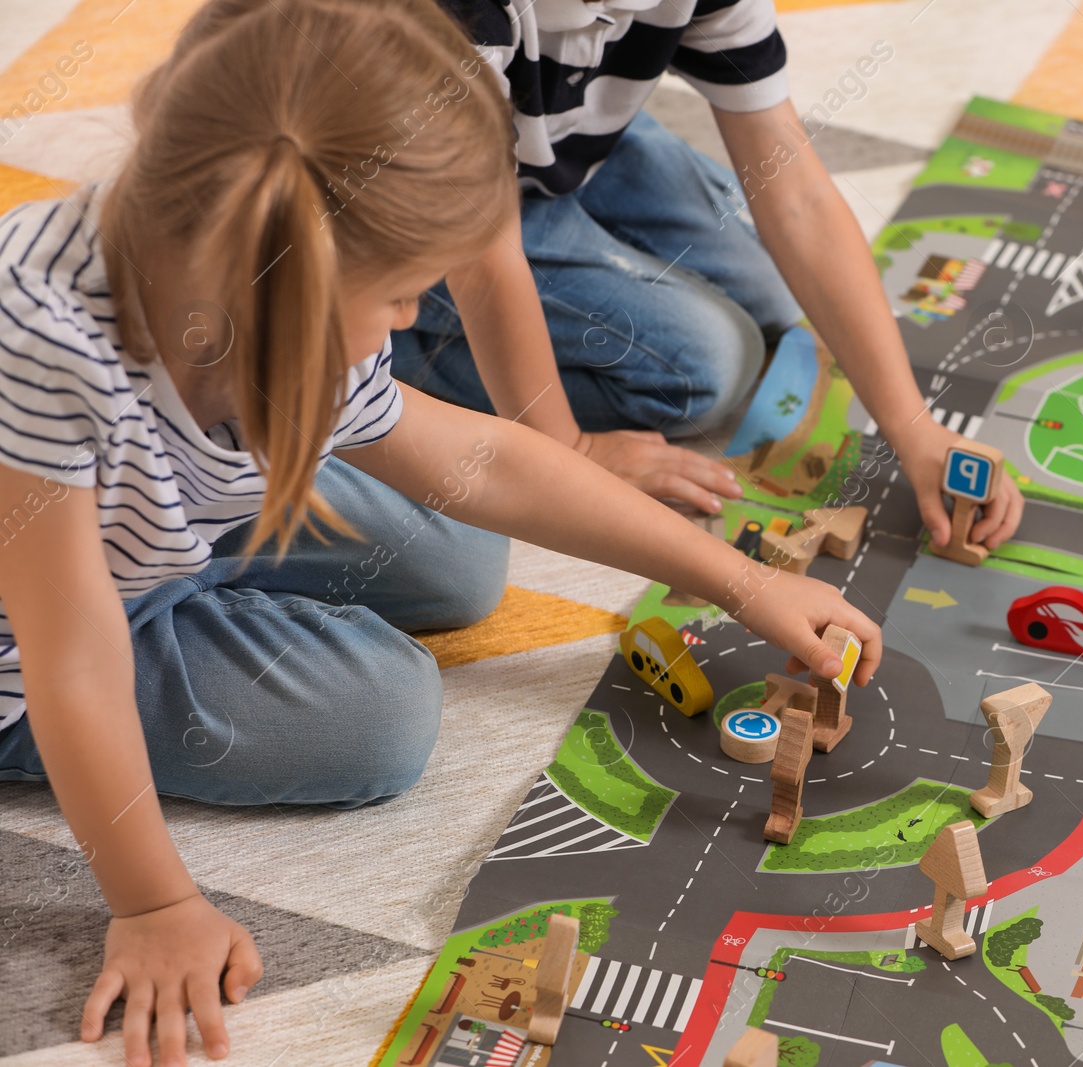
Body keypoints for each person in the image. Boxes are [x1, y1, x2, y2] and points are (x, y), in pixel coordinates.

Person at [0, 2, 881, 1064]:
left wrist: (738, 580)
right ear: (299, 294)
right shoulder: (38, 343)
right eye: (406, 293)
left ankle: (198, 582)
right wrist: (148, 902)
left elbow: (488, 460)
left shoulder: (261, 277)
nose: (418, 322)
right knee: (381, 717)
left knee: (462, 556)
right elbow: (73, 654)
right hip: (32, 641)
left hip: (149, 530)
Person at [390, 0, 1025, 546]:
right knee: (704, 368)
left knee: (775, 297)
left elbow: (797, 196)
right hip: (428, 204)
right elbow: (484, 264)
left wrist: (914, 428)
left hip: (569, 138)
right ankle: (382, 345)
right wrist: (570, 452)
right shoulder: (465, 16)